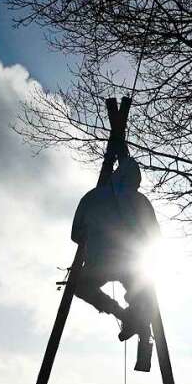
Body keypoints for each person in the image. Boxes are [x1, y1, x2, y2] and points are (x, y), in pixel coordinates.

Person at [71, 156, 160, 372]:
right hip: (131, 263)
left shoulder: (91, 197)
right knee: (144, 296)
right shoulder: (140, 201)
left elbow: (76, 234)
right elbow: (155, 236)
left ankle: (121, 314)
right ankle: (139, 327)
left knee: (80, 286)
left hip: (97, 262)